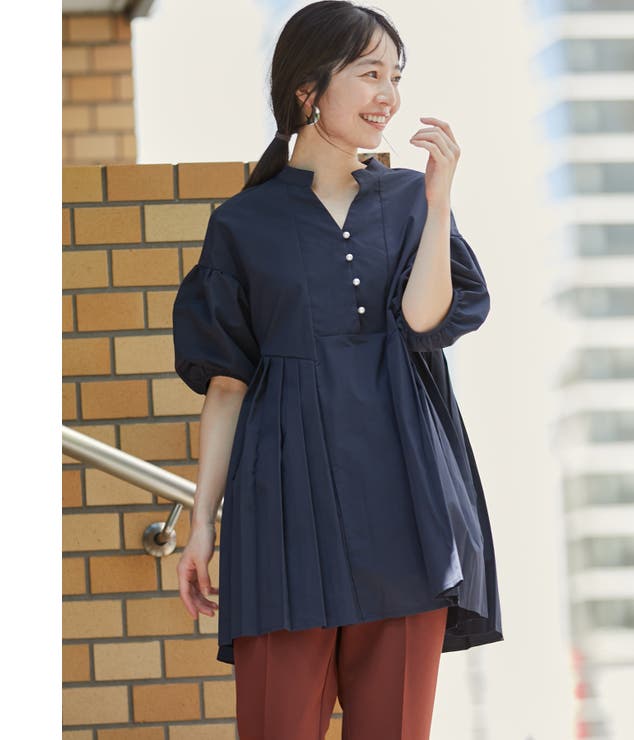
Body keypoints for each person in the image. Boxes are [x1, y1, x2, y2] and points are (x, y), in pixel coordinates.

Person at [172, 2, 503, 738]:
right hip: (282, 512)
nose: (390, 95)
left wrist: (438, 200)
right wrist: (202, 524)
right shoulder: (241, 223)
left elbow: (424, 323)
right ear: (308, 89)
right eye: (370, 74)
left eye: (397, 77)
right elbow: (226, 386)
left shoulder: (412, 200)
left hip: (405, 503)